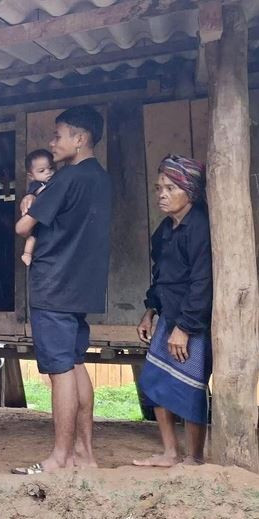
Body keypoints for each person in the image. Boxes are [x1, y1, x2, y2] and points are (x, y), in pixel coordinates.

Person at [14, 106, 111, 474]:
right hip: (81, 288)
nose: (52, 143)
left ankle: (60, 457)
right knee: (75, 364)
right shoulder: (100, 178)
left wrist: (30, 203)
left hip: (53, 286)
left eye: (58, 135)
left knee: (59, 372)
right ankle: (85, 455)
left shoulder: (67, 178)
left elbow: (24, 227)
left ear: (79, 139)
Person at [133, 155, 211, 467]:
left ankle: (194, 457)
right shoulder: (165, 229)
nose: (161, 194)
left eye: (170, 188)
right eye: (158, 188)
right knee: (153, 379)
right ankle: (169, 452)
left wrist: (186, 327)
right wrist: (150, 310)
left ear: (189, 190)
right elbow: (160, 275)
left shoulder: (200, 227)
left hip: (193, 320)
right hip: (169, 316)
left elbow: (203, 281)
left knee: (191, 386)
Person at [21, 149, 57, 266]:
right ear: (31, 176)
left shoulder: (57, 180)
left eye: (51, 168)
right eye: (42, 171)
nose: (48, 172)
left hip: (49, 219)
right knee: (33, 236)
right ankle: (27, 254)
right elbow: (35, 193)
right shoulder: (36, 185)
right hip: (37, 218)